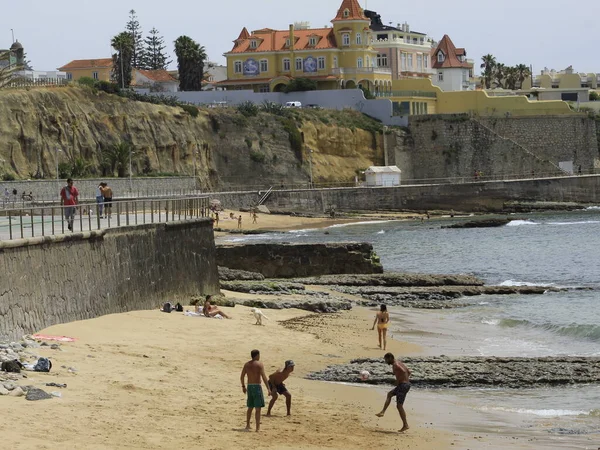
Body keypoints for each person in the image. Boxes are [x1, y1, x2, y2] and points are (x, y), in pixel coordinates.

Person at [376, 353, 411, 433]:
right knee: (390, 394)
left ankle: (405, 425)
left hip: (403, 385)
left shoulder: (395, 365)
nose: (386, 361)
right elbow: (408, 372)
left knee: (399, 406)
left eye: (386, 360)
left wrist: (399, 381)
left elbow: (402, 371)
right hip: (406, 384)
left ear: (390, 358)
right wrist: (405, 380)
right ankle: (382, 412)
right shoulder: (399, 363)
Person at [240, 349, 271, 432]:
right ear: (257, 355)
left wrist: (243, 386)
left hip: (249, 386)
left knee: (250, 407)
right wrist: (268, 388)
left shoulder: (247, 364)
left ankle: (247, 425)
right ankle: (257, 428)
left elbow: (242, 376)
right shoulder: (259, 364)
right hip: (257, 387)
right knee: (258, 408)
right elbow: (264, 377)